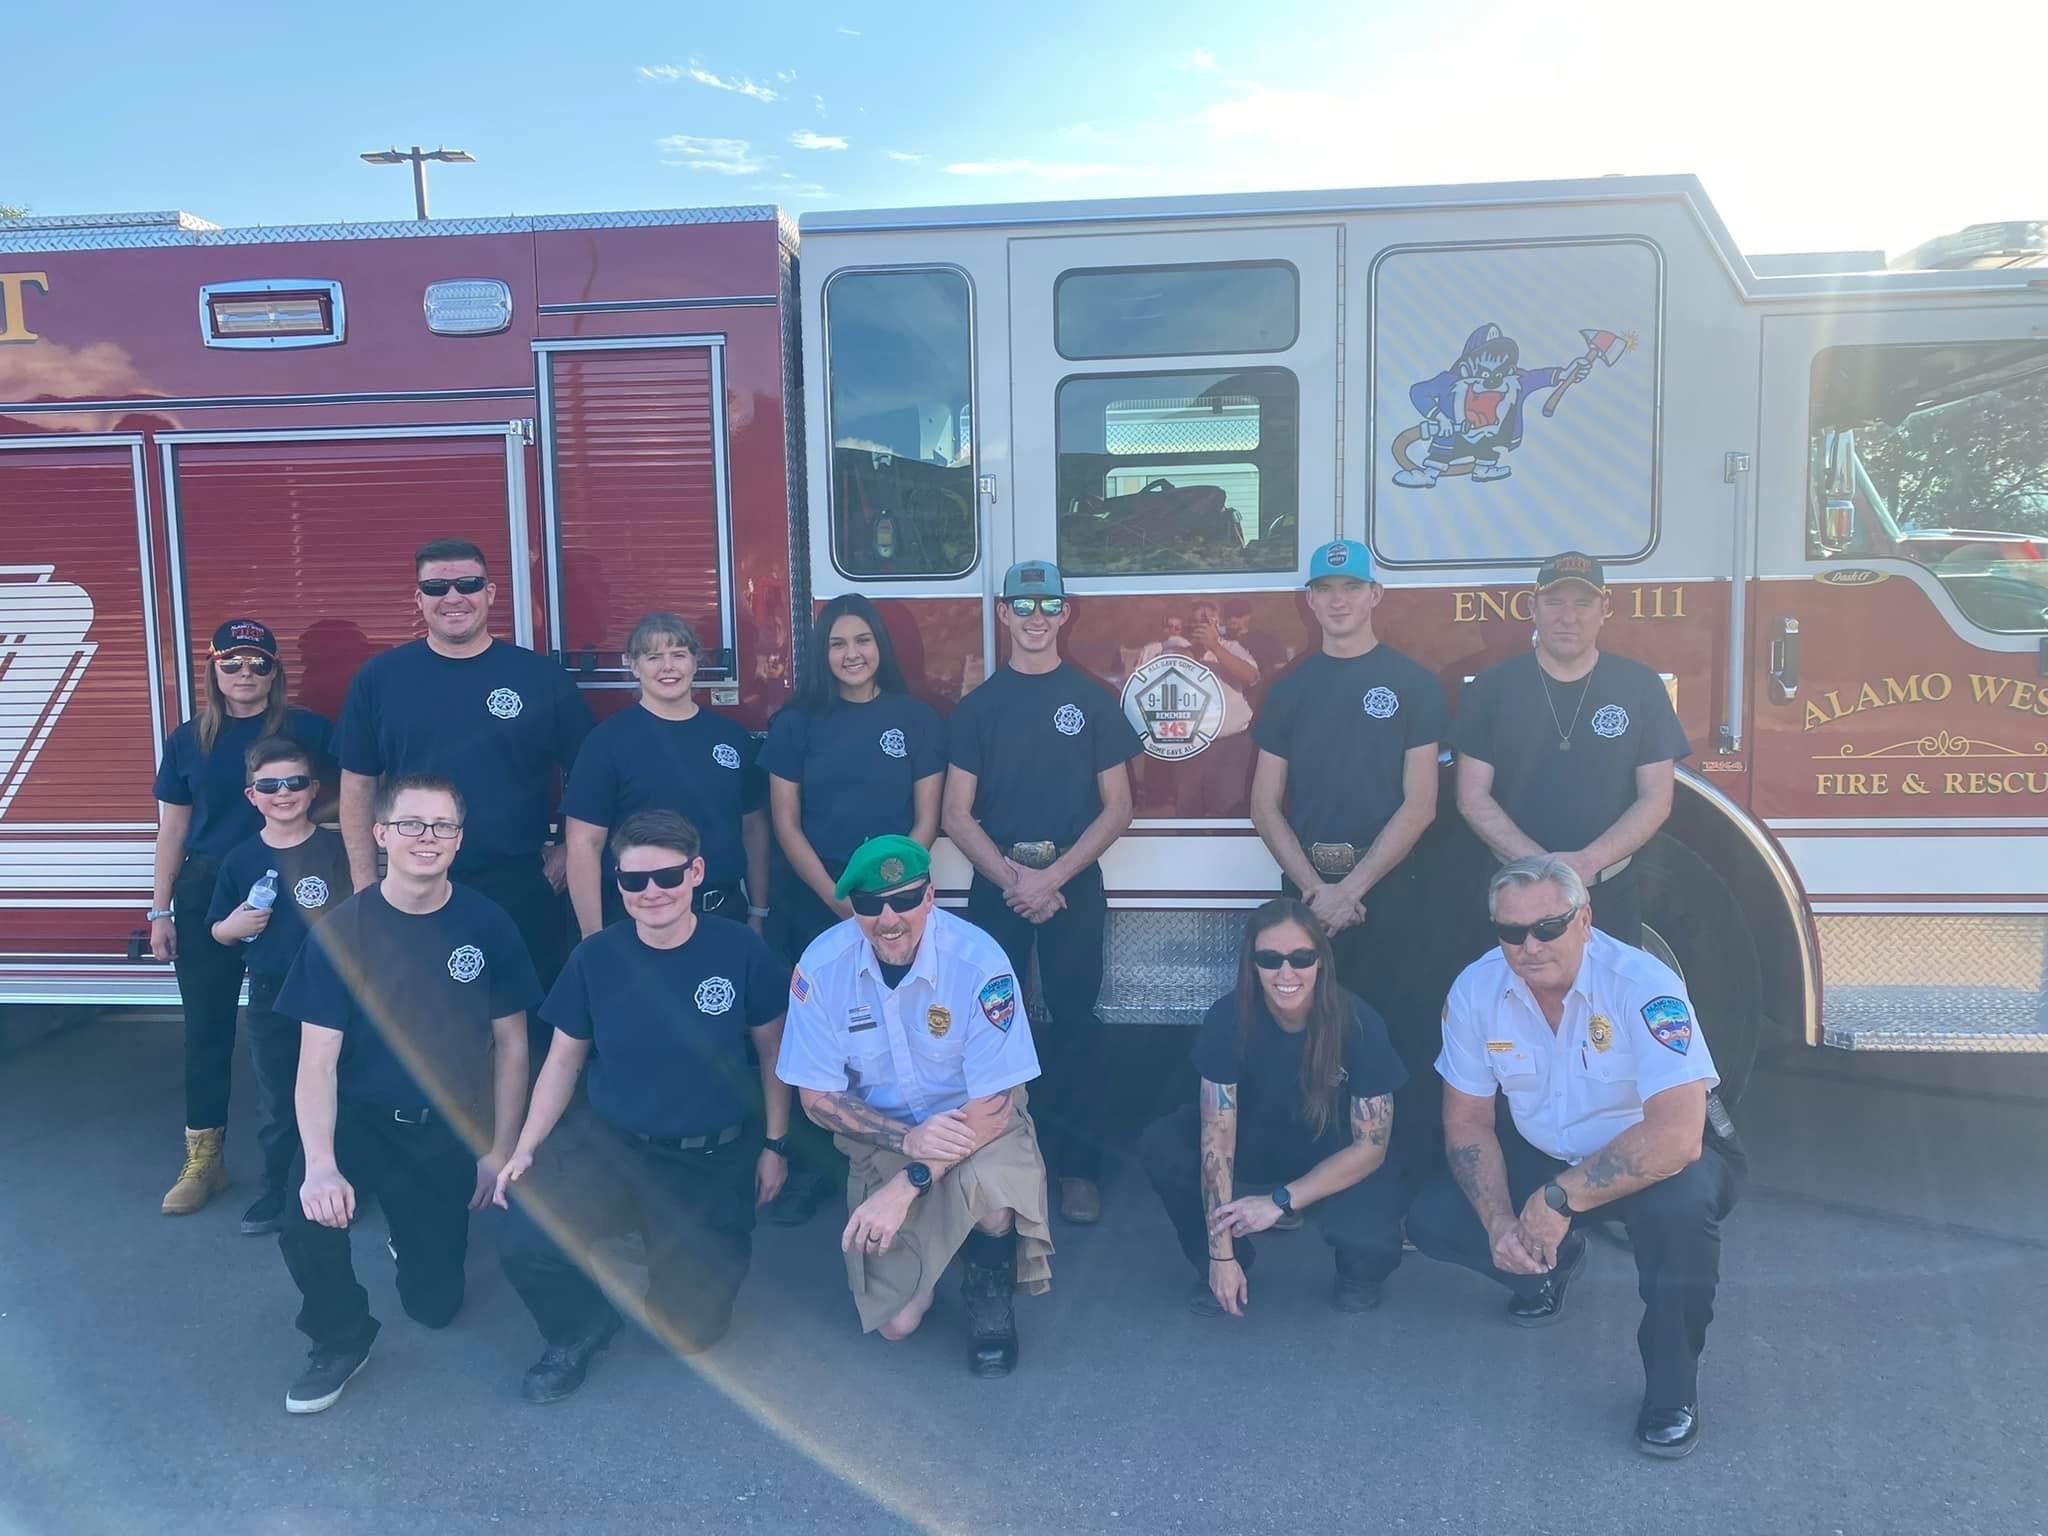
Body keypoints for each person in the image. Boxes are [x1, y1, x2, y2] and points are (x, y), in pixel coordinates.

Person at [1405, 855, 1744, 1458]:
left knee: (1682, 1223)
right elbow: (1467, 1122)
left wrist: (1559, 1201)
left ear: (1584, 920)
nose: (1530, 946)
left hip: (1650, 1154)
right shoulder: (1476, 990)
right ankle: (1549, 1264)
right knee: (1435, 1217)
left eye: (1548, 927)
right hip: (1548, 1150)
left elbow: (1676, 1136)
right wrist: (1499, 1223)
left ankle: (1672, 1393)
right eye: (1511, 932)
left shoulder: (1643, 986)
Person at [492, 811, 792, 1401]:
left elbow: (774, 1053)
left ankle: (662, 1244)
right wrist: (524, 1148)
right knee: (527, 1239)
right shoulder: (595, 957)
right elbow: (563, 1060)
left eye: (668, 876)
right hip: (614, 1143)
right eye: (634, 881)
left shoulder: (740, 950)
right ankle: (582, 1327)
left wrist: (776, 1145)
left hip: (708, 1159)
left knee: (691, 1332)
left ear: (696, 873)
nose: (652, 892)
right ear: (619, 883)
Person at [274, 774, 540, 1415]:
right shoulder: (342, 931)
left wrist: (497, 1151)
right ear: (381, 834)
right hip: (360, 1119)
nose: (428, 837)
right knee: (302, 1219)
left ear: (459, 839)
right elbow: (316, 1063)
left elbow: (512, 1047)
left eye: (443, 826)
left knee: (435, 1306)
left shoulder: (488, 924)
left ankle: (409, 1229)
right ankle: (341, 1337)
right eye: (411, 824)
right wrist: (320, 1165)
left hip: (444, 1129)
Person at [775, 835, 1052, 1377]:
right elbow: (817, 1098)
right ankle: (939, 1243)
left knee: (992, 1195)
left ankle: (988, 1289)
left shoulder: (979, 962)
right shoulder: (821, 968)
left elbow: (995, 1105)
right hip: (883, 1134)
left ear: (930, 897)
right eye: (869, 904)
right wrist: (906, 1141)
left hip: (975, 1126)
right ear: (852, 907)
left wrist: (910, 1182)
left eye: (903, 900)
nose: (888, 920)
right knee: (897, 1325)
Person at [942, 560, 1140, 1226]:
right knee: (992, 1025)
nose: (1035, 617)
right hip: (999, 888)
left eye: (1048, 604)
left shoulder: (1092, 701)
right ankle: (998, 1163)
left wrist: (1052, 878)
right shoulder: (978, 708)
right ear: (1003, 614)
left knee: (1077, 1023)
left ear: (1065, 613)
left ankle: (1078, 1169)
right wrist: (1015, 881)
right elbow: (956, 815)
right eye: (1022, 606)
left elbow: (1118, 808)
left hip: (1071, 887)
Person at [1248, 540, 1445, 1179]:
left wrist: (1349, 890)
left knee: (1391, 1029)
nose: (1338, 601)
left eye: (1351, 588)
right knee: (1301, 1032)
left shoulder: (1414, 684)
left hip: (1386, 889)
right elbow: (1264, 805)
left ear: (1375, 595)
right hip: (1308, 895)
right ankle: (1307, 1172)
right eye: (1325, 590)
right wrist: (1315, 892)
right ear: (1309, 601)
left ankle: (1391, 1181)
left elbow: (1420, 804)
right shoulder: (1289, 690)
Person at [334, 538, 592, 1006]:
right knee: (423, 1016)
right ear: (419, 599)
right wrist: (365, 881)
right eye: (437, 587)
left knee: (527, 1015)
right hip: (414, 879)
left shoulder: (539, 679)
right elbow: (357, 783)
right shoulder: (380, 679)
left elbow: (588, 775)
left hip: (520, 880)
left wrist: (568, 852)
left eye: (468, 584)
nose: (453, 597)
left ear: (490, 593)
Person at [760, 594, 944, 1226]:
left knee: (898, 1028)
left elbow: (926, 820)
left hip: (896, 907)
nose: (852, 654)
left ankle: (903, 1154)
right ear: (823, 653)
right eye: (838, 643)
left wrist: (886, 902)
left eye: (862, 640)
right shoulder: (795, 724)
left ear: (880, 647)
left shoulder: (915, 720)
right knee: (821, 1036)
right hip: (817, 901)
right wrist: (845, 904)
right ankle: (819, 1166)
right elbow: (786, 825)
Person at [1138, 899, 1407, 1317]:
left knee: (1370, 1221)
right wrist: (1220, 1256)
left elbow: (1370, 1148)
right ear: (1252, 963)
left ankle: (1359, 1271)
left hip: (1333, 1148)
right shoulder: (1228, 1018)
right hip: (1254, 1139)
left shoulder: (1359, 1022)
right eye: (1269, 959)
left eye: (1301, 958)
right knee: (1164, 1144)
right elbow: (1216, 1142)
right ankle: (1228, 1263)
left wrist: (1280, 1201)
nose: (1286, 973)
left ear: (1321, 961)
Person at [149, 618, 332, 1217]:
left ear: (275, 672)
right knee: (207, 1027)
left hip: (294, 882)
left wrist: (298, 822)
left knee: (301, 1026)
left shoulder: (308, 731)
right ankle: (205, 1160)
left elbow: (354, 791)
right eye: (231, 663)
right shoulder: (188, 740)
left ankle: (308, 1163)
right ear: (214, 670)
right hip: (207, 887)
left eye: (259, 663)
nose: (245, 673)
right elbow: (173, 828)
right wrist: (160, 908)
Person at [1452, 551, 1690, 946]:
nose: (1569, 617)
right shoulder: (1492, 688)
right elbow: (1472, 797)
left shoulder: (1640, 686)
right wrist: (1544, 871)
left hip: (1608, 893)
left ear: (1604, 609)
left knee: (1609, 989)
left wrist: (1586, 863)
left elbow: (1657, 798)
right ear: (1533, 608)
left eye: (1583, 603)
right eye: (1555, 602)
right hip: (1515, 896)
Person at [204, 736, 353, 1236]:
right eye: (269, 786)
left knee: (343, 1088)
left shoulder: (338, 850)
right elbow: (216, 931)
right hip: (272, 992)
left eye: (294, 782)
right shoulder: (239, 859)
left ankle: (346, 1184)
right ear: (252, 796)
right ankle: (280, 1192)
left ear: (314, 789)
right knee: (278, 1099)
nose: (283, 793)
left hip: (337, 992)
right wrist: (232, 926)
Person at [562, 611, 769, 938]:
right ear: (634, 666)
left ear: (696, 662)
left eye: (678, 655)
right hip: (638, 922)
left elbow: (753, 830)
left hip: (724, 918)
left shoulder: (732, 737)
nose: (668, 667)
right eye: (653, 657)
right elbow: (583, 843)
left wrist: (758, 911)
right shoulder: (606, 743)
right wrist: (593, 938)